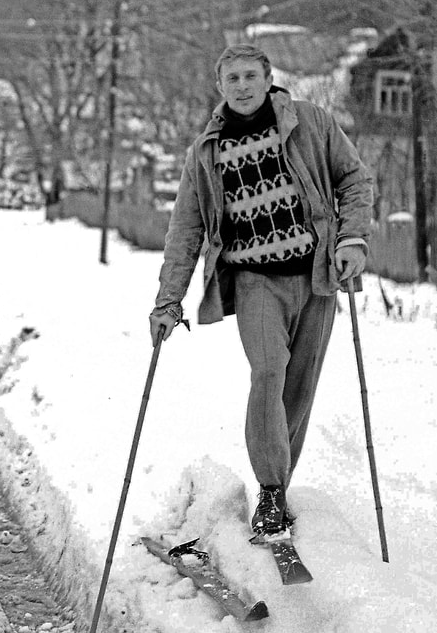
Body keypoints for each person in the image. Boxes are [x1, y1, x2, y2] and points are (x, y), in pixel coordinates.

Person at [150, 44, 373, 538]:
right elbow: (184, 232)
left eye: (251, 76)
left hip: (316, 277)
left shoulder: (310, 122)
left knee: (300, 385)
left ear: (269, 79)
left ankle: (280, 483)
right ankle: (271, 490)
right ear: (220, 87)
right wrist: (168, 300)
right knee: (269, 371)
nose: (243, 87)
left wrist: (353, 238)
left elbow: (354, 179)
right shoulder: (207, 151)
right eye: (233, 79)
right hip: (254, 281)